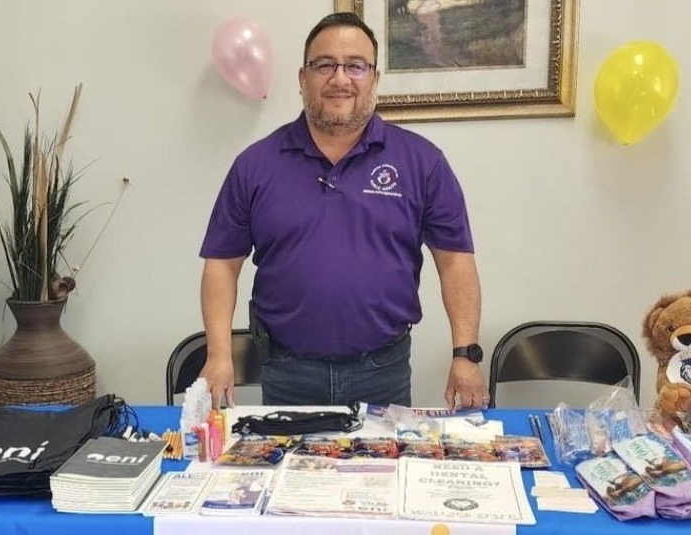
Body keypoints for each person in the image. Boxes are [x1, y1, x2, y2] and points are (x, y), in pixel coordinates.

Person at [198, 11, 487, 410]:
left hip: (382, 371)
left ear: (374, 78)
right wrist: (218, 355)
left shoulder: (422, 162)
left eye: (355, 66)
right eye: (324, 65)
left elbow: (455, 262)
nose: (340, 78)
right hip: (287, 372)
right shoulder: (255, 165)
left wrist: (465, 354)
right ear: (303, 78)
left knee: (380, 472)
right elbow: (221, 264)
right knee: (291, 472)